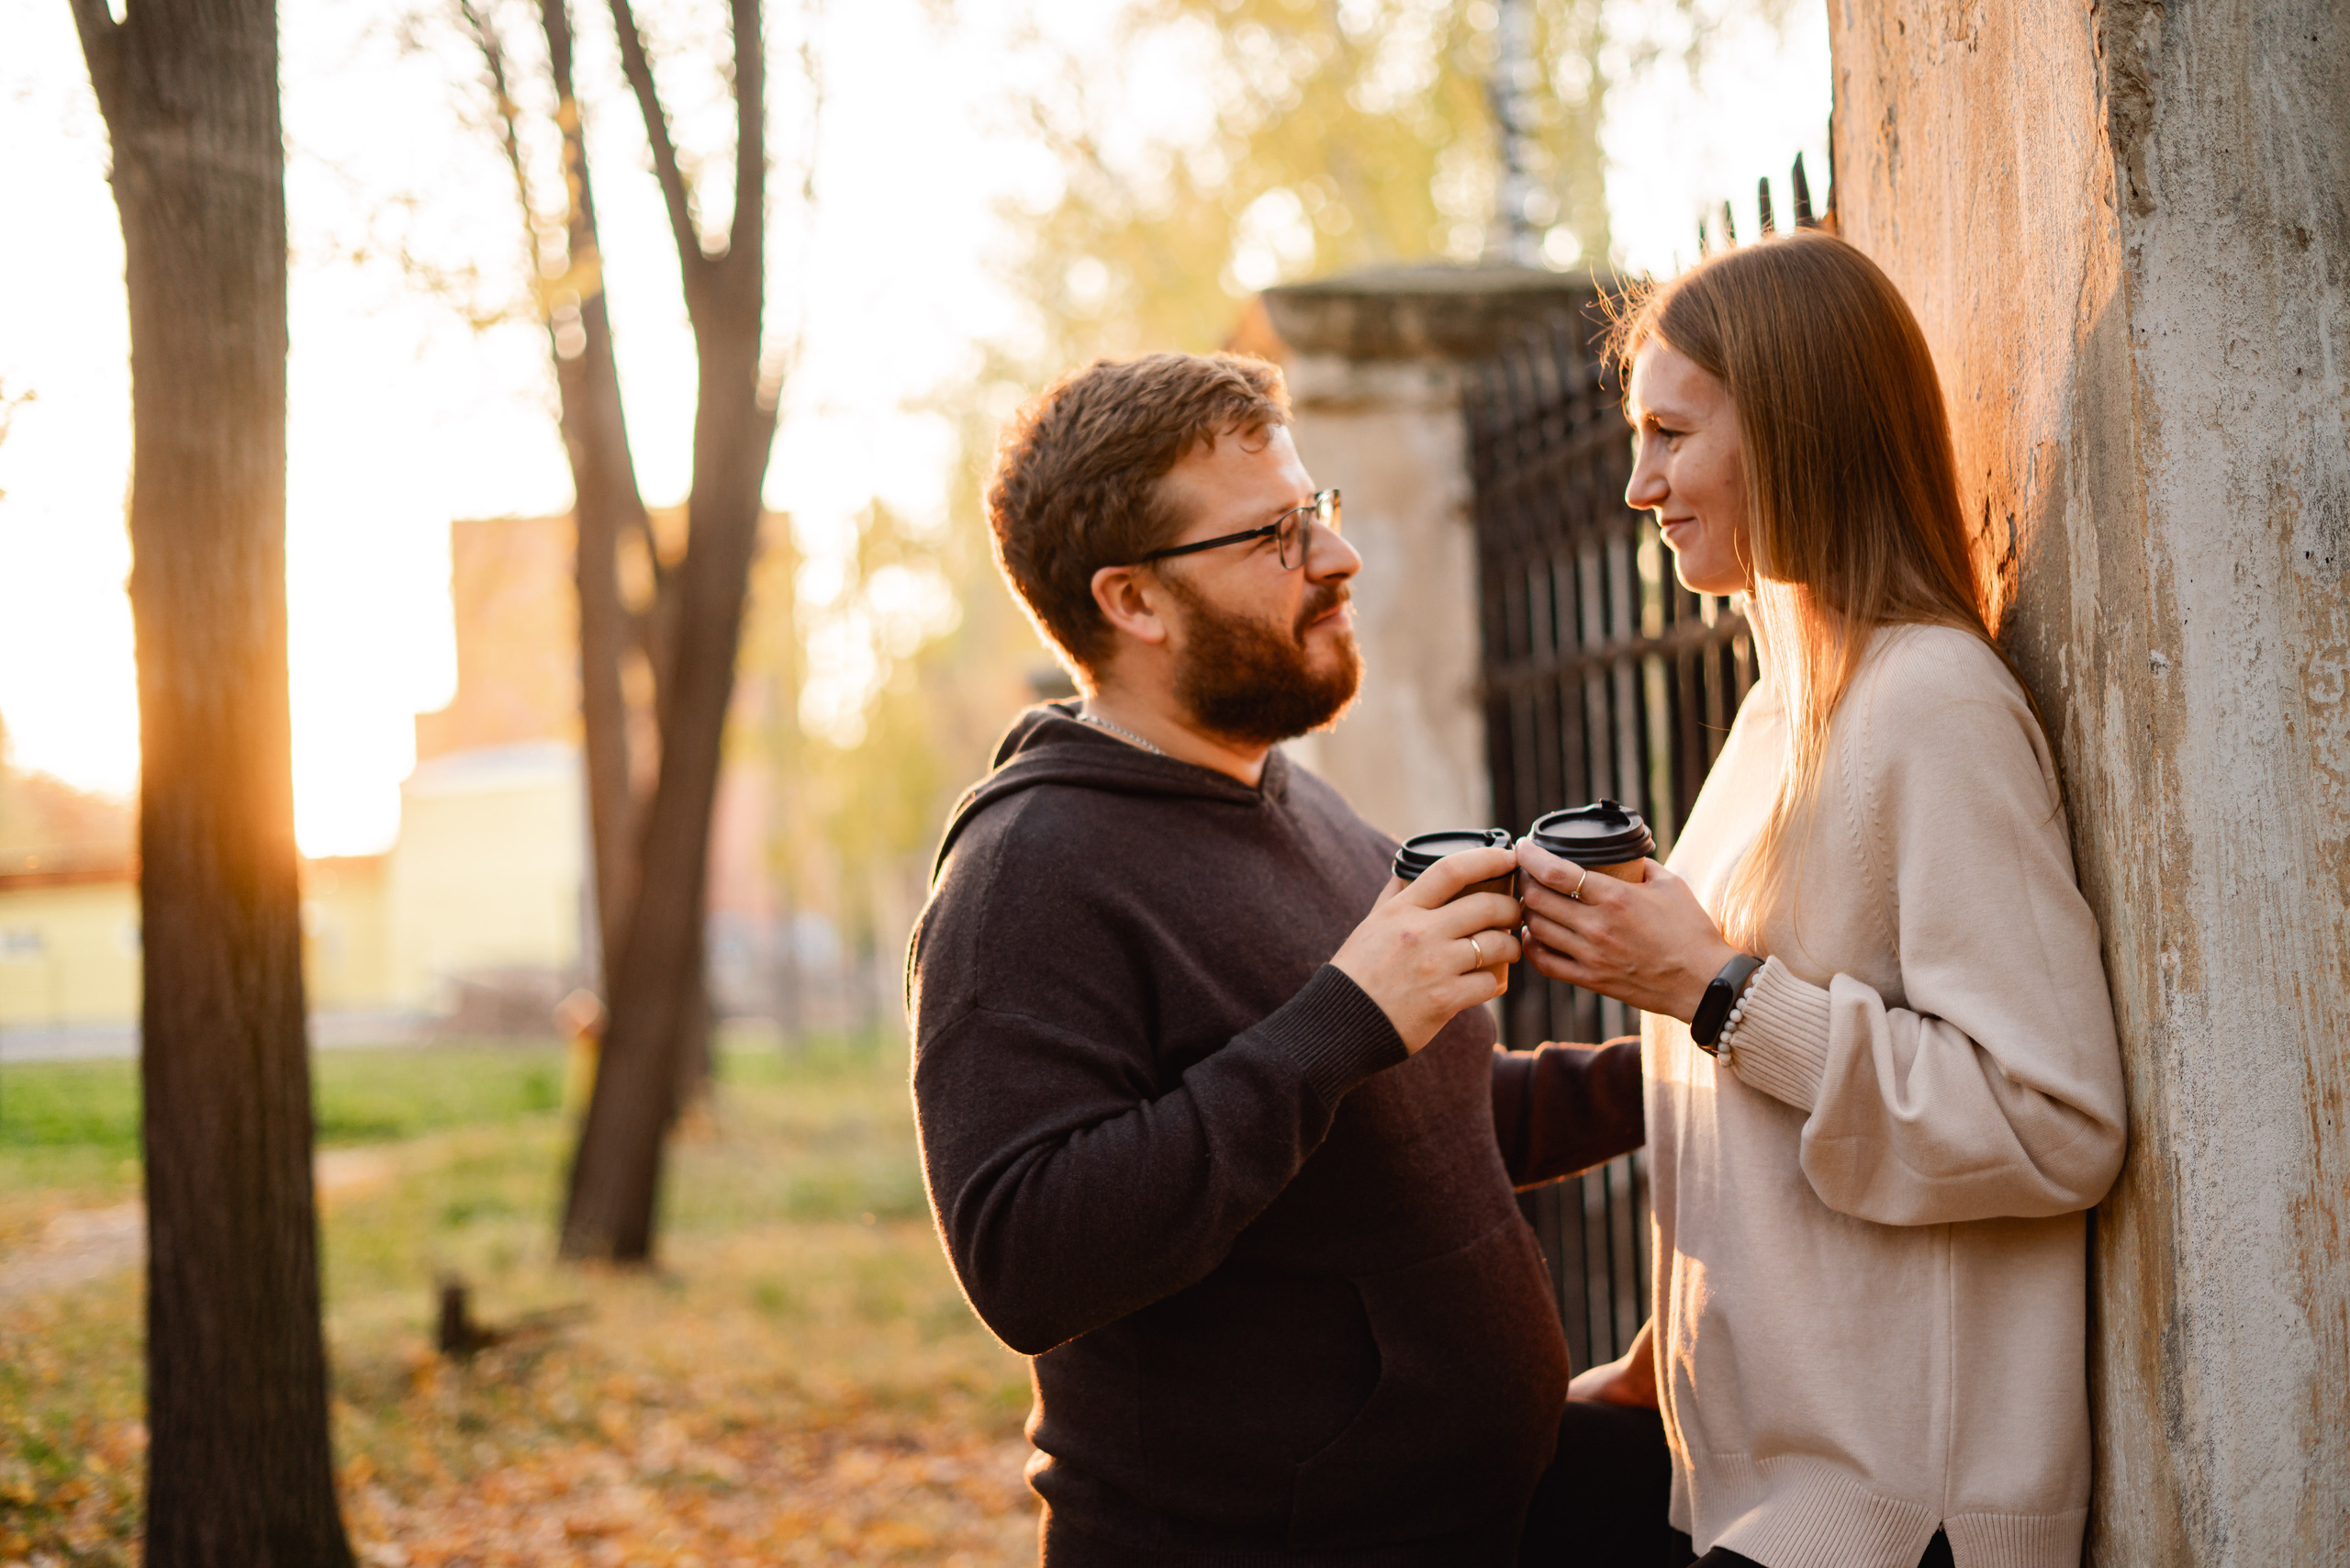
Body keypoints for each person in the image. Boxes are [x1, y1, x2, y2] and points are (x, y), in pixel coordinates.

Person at [909, 351, 1648, 1564]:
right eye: (1271, 537)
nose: (1336, 558)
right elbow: (1026, 1256)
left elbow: (1422, 1124)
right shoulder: (1028, 876)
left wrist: (1686, 1070)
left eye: (1318, 514)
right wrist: (1346, 1016)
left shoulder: (1293, 806)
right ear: (1134, 601)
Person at [1513, 230, 2128, 1568]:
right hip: (1757, 1487)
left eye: (1671, 435)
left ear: (1789, 428)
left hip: (1904, 1517)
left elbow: (2056, 1121)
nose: (1637, 484)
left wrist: (1713, 990)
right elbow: (1759, 1133)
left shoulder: (1934, 705)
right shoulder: (1780, 713)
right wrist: (1660, 1370)